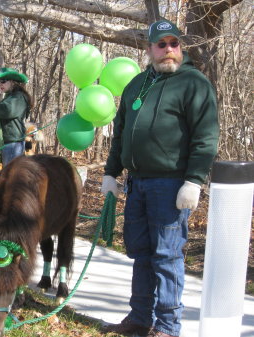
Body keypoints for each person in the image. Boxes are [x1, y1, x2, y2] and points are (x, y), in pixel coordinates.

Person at [100, 20, 219, 337]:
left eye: (174, 43)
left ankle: (167, 327)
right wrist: (112, 172)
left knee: (166, 256)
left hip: (171, 186)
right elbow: (120, 135)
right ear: (149, 49)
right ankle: (140, 318)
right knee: (140, 252)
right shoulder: (136, 85)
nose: (168, 49)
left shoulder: (194, 84)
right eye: (161, 44)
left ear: (180, 47)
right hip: (136, 184)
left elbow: (205, 139)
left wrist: (193, 180)